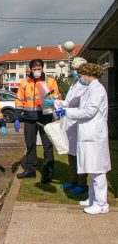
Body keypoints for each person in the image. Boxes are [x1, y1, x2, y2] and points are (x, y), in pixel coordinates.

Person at [55, 63, 111, 214]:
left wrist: (67, 112)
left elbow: (88, 112)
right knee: (91, 169)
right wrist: (67, 110)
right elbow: (83, 109)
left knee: (97, 171)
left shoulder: (97, 89)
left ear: (87, 74)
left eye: (80, 76)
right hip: (88, 134)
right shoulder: (90, 88)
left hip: (94, 135)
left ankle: (101, 204)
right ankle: (93, 199)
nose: (79, 79)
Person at [44, 57, 89, 194]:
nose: (74, 72)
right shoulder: (75, 83)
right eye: (73, 69)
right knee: (71, 154)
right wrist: (56, 103)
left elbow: (80, 107)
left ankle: (82, 184)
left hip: (77, 123)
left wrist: (58, 105)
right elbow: (69, 102)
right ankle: (73, 180)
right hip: (70, 123)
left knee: (80, 155)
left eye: (76, 70)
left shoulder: (85, 85)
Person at [15, 59, 61, 184]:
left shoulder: (50, 81)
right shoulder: (24, 82)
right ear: (30, 69)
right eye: (34, 69)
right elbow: (19, 100)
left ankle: (47, 173)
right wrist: (17, 117)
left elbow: (57, 97)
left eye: (39, 69)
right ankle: (30, 170)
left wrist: (52, 102)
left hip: (45, 118)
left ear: (42, 68)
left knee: (47, 146)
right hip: (29, 119)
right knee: (30, 145)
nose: (37, 71)